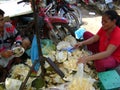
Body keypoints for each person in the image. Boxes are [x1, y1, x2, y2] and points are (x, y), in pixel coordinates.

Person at [0, 9, 31, 82]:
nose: (1, 24)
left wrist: (18, 44)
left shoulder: (8, 26)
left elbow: (17, 36)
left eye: (1, 20)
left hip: (11, 50)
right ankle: (5, 71)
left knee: (26, 41)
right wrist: (1, 54)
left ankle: (16, 60)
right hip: (1, 58)